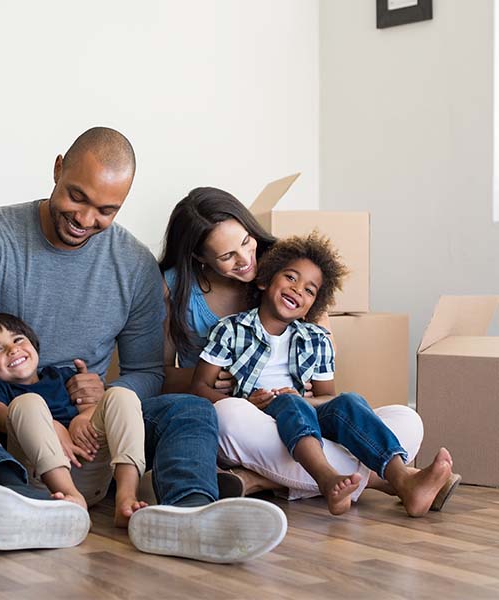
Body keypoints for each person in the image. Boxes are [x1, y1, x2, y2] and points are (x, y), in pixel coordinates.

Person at [0, 127, 287, 562]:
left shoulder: (133, 266)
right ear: (58, 169)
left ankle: (187, 512)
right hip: (1, 412)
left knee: (190, 408)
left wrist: (101, 401)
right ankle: (10, 491)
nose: (85, 218)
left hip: (92, 431)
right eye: (77, 197)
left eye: (106, 210)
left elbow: (147, 371)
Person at [159, 187, 460, 511]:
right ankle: (389, 481)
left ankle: (257, 479)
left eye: (246, 241)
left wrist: (305, 399)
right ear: (200, 258)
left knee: (406, 420)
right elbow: (162, 376)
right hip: (241, 418)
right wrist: (229, 384)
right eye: (227, 256)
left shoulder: (292, 271)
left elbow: (326, 391)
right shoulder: (201, 307)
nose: (247, 260)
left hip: (303, 414)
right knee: (231, 415)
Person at [0, 311, 147, 527]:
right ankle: (70, 497)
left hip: (90, 466)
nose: (13, 349)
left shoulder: (61, 376)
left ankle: (127, 498)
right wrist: (51, 426)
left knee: (122, 395)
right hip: (44, 480)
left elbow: (94, 408)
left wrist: (82, 418)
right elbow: (1, 419)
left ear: (34, 346)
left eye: (18, 339)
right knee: (28, 402)